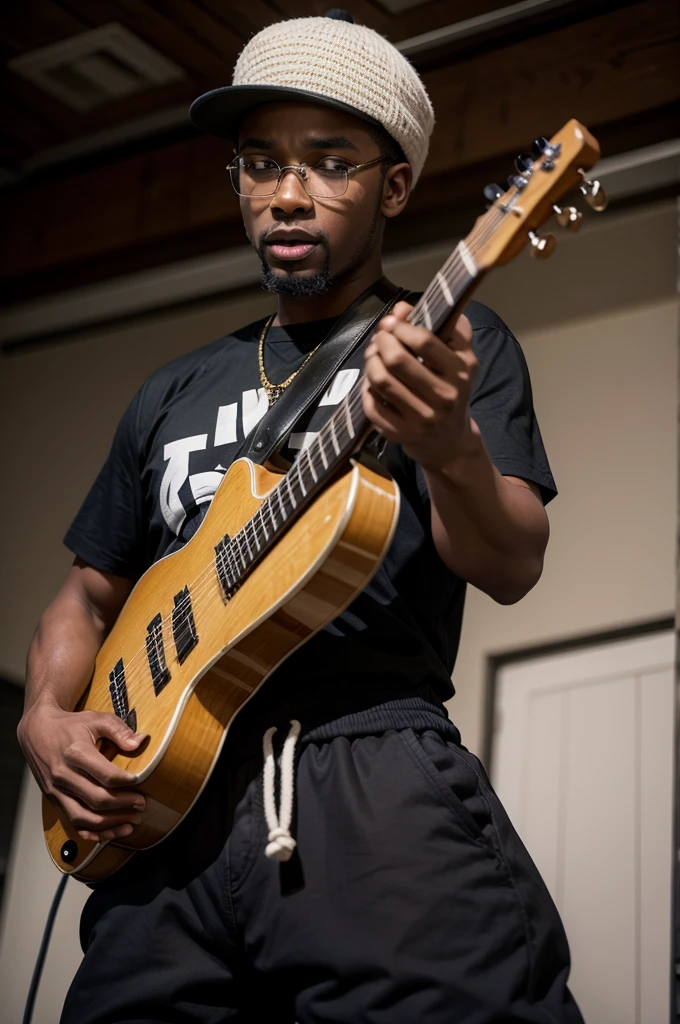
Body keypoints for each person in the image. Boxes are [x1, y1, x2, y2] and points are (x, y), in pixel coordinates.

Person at [18, 11, 584, 1024]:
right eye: (257, 164)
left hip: (361, 770)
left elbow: (509, 561)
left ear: (393, 185)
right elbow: (87, 590)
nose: (284, 194)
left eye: (329, 162)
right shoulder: (170, 390)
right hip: (161, 817)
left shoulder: (453, 338)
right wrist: (45, 717)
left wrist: (447, 442)